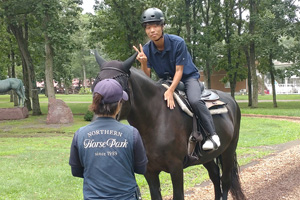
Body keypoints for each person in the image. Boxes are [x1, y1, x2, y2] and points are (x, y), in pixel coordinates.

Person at [133, 8, 220, 151]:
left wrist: (170, 91)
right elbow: (146, 77)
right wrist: (143, 62)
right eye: (148, 27)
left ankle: (212, 135)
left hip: (187, 78)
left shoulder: (178, 42)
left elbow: (179, 71)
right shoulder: (147, 49)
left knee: (194, 100)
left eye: (155, 26)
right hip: (165, 80)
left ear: (162, 26)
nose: (152, 30)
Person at [69, 79, 148, 200]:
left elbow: (76, 171)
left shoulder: (80, 134)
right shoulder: (132, 133)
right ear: (119, 104)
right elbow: (141, 169)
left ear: (95, 102)